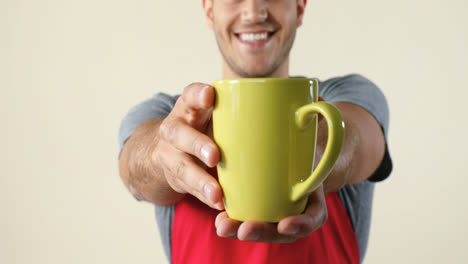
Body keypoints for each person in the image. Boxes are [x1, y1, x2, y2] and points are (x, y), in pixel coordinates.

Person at [118, 0, 392, 263]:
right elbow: (135, 166)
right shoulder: (168, 115)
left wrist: (308, 167)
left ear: (299, 6)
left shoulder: (351, 94)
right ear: (208, 9)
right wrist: (163, 158)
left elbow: (355, 140)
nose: (253, 12)